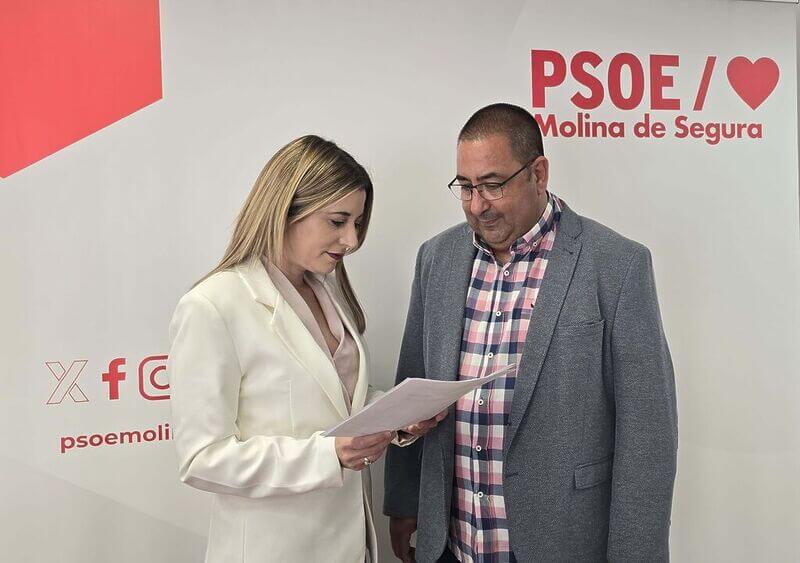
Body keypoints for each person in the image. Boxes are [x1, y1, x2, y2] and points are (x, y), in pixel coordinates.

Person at [383, 103, 678, 563]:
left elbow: (647, 434)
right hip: (453, 544)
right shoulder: (437, 258)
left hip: (563, 544)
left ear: (538, 173)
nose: (477, 205)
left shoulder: (617, 265)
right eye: (466, 187)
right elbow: (412, 388)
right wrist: (403, 501)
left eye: (493, 185)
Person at [168, 135, 395, 562]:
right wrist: (328, 454)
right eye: (338, 221)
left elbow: (335, 404)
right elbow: (202, 458)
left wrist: (398, 415)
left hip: (351, 546)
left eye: (357, 223)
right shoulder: (213, 305)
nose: (351, 240)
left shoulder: (327, 291)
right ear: (285, 210)